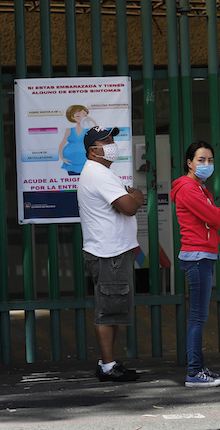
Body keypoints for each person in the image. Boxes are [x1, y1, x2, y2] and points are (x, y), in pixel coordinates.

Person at [78, 126, 143, 382]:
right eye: (106, 140)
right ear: (92, 150)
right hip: (109, 253)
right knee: (107, 309)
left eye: (112, 138)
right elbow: (128, 206)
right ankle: (107, 365)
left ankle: (108, 362)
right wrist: (136, 195)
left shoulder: (101, 172)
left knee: (113, 307)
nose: (112, 143)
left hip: (112, 250)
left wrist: (130, 197)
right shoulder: (97, 173)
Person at [170, 141, 220, 387]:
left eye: (210, 160)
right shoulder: (188, 188)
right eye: (201, 160)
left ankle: (198, 368)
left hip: (202, 254)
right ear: (189, 163)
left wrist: (215, 214)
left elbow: (212, 216)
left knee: (198, 316)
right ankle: (193, 372)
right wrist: (218, 214)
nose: (206, 164)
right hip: (197, 255)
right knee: (197, 317)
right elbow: (215, 216)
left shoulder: (198, 187)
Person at [59, 105, 97, 175]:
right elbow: (62, 145)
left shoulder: (88, 130)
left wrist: (92, 121)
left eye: (84, 115)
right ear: (72, 117)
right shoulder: (69, 130)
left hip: (85, 162)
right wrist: (62, 158)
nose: (81, 118)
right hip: (70, 163)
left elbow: (97, 133)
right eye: (78, 116)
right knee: (72, 182)